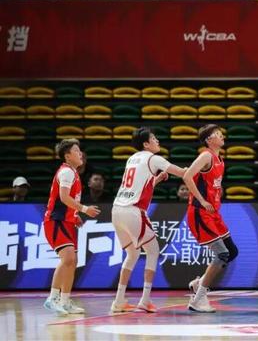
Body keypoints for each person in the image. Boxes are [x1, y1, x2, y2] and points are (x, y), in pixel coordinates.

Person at [110, 127, 186, 313]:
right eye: (154, 138)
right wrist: (196, 168)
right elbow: (181, 173)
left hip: (116, 210)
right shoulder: (154, 158)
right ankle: (145, 299)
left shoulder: (132, 158)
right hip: (133, 211)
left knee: (132, 254)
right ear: (146, 144)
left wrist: (157, 179)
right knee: (153, 251)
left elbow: (139, 185)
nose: (157, 141)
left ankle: (119, 300)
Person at [184, 124, 239, 312]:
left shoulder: (219, 159)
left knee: (231, 252)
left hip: (214, 213)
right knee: (221, 254)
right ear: (209, 140)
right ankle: (198, 299)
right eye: (217, 134)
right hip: (200, 212)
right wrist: (201, 199)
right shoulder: (206, 156)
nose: (222, 136)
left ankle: (199, 283)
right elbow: (187, 176)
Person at [43, 139, 100, 315]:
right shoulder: (66, 171)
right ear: (67, 156)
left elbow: (67, 202)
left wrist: (74, 215)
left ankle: (65, 301)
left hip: (66, 221)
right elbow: (64, 197)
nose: (80, 153)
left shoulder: (73, 172)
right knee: (68, 258)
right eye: (76, 150)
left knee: (72, 261)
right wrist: (84, 209)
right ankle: (53, 298)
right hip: (56, 221)